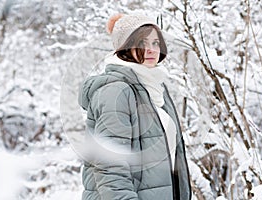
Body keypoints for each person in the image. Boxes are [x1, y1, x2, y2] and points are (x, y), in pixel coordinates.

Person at [78, 13, 192, 200]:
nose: (151, 50)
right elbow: (110, 168)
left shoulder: (156, 89)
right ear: (124, 48)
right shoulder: (115, 91)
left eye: (155, 43)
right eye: (141, 43)